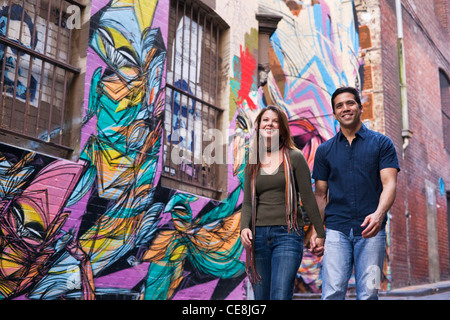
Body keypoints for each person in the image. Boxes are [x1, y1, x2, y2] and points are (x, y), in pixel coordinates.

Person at [310, 86, 399, 300]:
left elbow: (390, 184)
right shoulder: (324, 151)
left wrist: (378, 215)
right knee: (331, 293)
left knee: (369, 294)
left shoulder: (382, 143)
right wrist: (317, 231)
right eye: (339, 105)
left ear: (360, 107)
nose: (345, 108)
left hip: (372, 232)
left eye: (350, 103)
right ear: (334, 113)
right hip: (335, 231)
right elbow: (320, 194)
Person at [240, 105, 325, 300]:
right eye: (265, 120)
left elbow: (308, 198)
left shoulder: (294, 157)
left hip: (287, 235)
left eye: (275, 120)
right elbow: (248, 203)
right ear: (259, 126)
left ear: (282, 127)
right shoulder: (253, 161)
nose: (269, 123)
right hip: (258, 237)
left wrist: (320, 232)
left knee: (280, 294)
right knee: (261, 297)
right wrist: (244, 227)